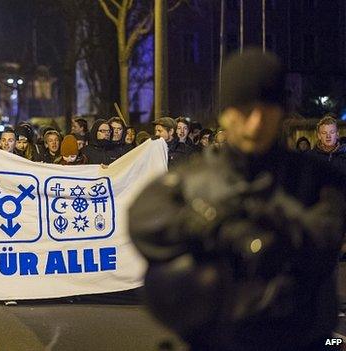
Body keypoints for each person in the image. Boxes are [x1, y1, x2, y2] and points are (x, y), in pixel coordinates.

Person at [129, 49, 346, 351]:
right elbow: (143, 217)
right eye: (245, 111)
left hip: (295, 338)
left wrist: (261, 223)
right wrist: (219, 225)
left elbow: (322, 239)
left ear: (281, 113)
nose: (255, 123)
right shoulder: (197, 177)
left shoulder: (316, 180)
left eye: (266, 110)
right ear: (225, 114)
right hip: (214, 338)